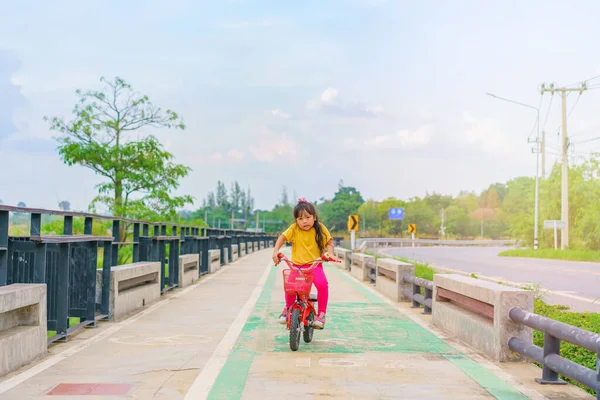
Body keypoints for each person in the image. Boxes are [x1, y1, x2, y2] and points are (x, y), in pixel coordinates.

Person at [272, 197, 336, 329]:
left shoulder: (320, 228)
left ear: (314, 217)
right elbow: (282, 238)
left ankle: (321, 314)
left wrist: (329, 254)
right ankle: (288, 309)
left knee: (322, 285)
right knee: (290, 287)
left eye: (307, 217)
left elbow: (329, 243)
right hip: (296, 266)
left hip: (314, 265)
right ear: (296, 220)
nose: (304, 221)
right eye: (300, 219)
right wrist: (276, 251)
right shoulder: (294, 229)